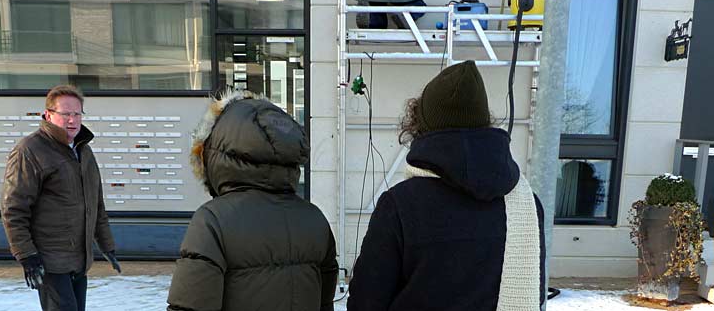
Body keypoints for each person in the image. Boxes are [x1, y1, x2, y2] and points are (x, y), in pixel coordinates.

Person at [348, 61, 546, 311]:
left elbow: (366, 301)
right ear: (484, 122)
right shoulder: (526, 204)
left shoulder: (400, 206)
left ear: (422, 126)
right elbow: (535, 295)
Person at [167, 90, 338, 311]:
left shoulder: (213, 221)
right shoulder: (314, 219)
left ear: (215, 154)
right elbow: (324, 303)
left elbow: (189, 306)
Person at [1, 85, 120, 311]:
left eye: (77, 114)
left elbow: (96, 204)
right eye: (65, 114)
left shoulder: (83, 151)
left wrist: (107, 245)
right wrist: (26, 255)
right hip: (49, 261)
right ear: (48, 115)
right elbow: (13, 209)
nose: (72, 120)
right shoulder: (30, 150)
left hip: (78, 259)